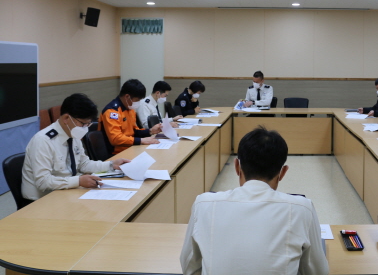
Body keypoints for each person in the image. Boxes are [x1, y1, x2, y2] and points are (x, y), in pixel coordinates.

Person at [180, 126, 329, 275]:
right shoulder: (302, 208)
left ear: (237, 167)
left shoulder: (204, 204)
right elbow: (317, 271)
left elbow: (189, 266)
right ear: (283, 172)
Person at [21, 93, 131, 201]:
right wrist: (78, 181)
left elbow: (83, 164)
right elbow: (43, 182)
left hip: (66, 192)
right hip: (41, 200)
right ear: (66, 118)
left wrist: (111, 165)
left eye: (88, 124)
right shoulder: (43, 140)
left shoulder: (73, 134)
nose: (85, 128)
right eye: (83, 124)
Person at [99, 79, 162, 155]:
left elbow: (134, 131)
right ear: (127, 97)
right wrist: (141, 141)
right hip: (117, 153)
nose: (138, 102)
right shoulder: (112, 111)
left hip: (131, 147)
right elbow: (115, 139)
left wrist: (150, 131)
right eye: (137, 100)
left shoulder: (130, 109)